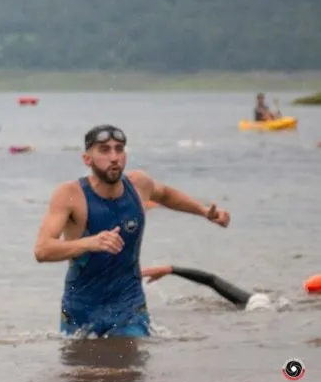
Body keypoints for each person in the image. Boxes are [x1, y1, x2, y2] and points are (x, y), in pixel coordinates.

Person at [33, 124, 231, 337]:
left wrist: (203, 211)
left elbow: (165, 195)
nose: (114, 157)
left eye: (119, 149)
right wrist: (89, 243)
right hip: (81, 308)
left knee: (132, 368)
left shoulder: (139, 184)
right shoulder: (70, 194)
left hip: (129, 304)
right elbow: (42, 250)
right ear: (87, 159)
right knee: (82, 370)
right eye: (104, 150)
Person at [140, 265, 269, 309]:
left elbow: (210, 280)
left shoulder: (248, 301)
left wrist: (170, 269)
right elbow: (210, 280)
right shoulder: (248, 301)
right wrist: (170, 269)